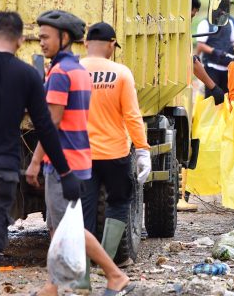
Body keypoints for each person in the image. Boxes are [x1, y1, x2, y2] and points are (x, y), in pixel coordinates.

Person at [26, 10, 133, 295]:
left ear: (65, 38)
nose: (41, 43)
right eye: (40, 37)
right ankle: (54, 284)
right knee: (60, 226)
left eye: (46, 37)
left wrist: (35, 162)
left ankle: (114, 274)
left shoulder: (61, 73)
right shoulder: (76, 70)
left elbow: (51, 125)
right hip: (79, 156)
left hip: (64, 160)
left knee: (69, 228)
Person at [0, 12, 81, 296]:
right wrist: (66, 172)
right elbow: (46, 128)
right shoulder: (28, 76)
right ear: (21, 42)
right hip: (1, 174)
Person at [79, 23, 151, 278]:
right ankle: (107, 261)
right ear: (111, 44)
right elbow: (132, 115)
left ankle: (84, 266)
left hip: (82, 154)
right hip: (115, 153)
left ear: (86, 43)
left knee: (84, 207)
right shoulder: (121, 73)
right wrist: (142, 149)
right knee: (118, 202)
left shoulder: (72, 71)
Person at [195, 2, 234, 94]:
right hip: (211, 67)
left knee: (226, 97)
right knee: (212, 97)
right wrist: (214, 51)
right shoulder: (205, 23)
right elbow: (200, 45)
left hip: (226, 67)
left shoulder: (229, 22)